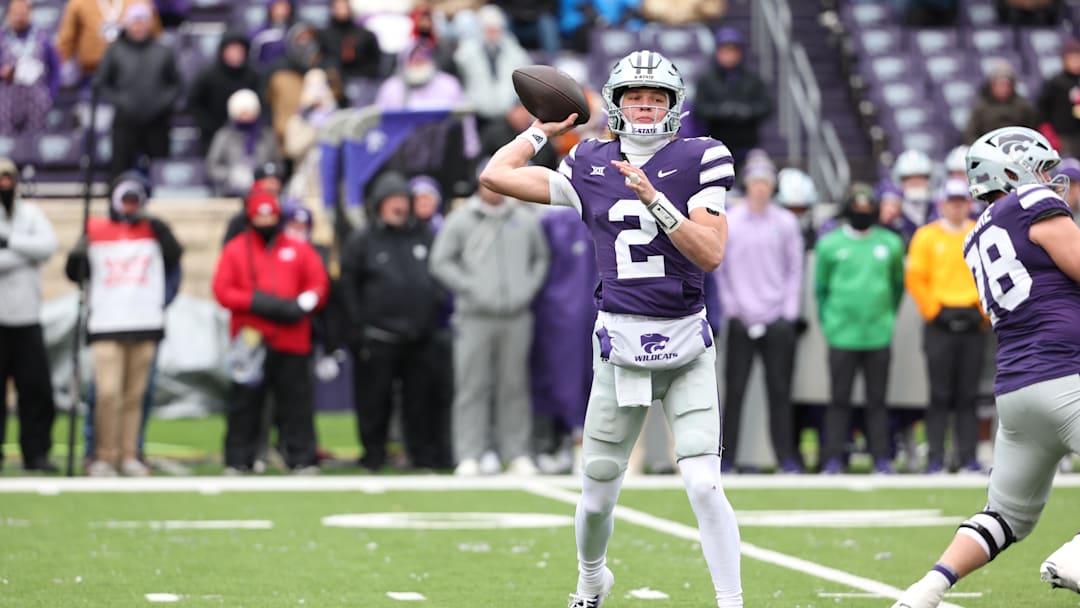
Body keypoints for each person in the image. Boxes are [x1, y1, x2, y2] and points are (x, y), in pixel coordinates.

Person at [478, 50, 742, 607]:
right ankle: (591, 579)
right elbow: (494, 176)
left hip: (685, 342)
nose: (644, 108)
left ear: (673, 106)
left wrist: (654, 199)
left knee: (702, 482)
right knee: (597, 491)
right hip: (619, 344)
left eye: (655, 99)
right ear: (616, 103)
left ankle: (731, 601)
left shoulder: (703, 156)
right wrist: (539, 131)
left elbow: (711, 253)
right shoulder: (589, 162)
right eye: (633, 98)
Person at [891, 126, 1080, 605]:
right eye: (1040, 168)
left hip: (1016, 391)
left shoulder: (977, 233)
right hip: (1067, 372)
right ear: (1014, 169)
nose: (1049, 179)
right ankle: (1075, 554)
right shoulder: (1034, 205)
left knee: (1004, 516)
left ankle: (925, 589)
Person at [429, 167, 550, 477]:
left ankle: (517, 452)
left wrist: (527, 288)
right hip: (473, 316)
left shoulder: (524, 219)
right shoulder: (460, 220)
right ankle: (470, 453)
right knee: (472, 385)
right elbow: (441, 262)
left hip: (517, 315)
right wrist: (470, 288)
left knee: (514, 385)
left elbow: (540, 259)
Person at [64, 172, 182, 477]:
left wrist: (156, 226)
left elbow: (174, 256)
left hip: (145, 322)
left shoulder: (155, 230)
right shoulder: (97, 231)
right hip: (106, 323)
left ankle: (130, 453)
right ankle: (103, 455)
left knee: (135, 395)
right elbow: (76, 274)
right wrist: (77, 255)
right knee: (108, 392)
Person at [211, 189, 328, 474]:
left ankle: (301, 457)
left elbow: (318, 283)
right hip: (252, 336)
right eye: (260, 215)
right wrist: (256, 302)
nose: (266, 221)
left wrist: (303, 304)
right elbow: (222, 290)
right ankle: (240, 458)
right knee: (245, 402)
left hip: (291, 336)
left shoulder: (298, 248)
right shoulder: (237, 249)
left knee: (296, 402)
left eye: (271, 215)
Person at [340, 172, 445, 471]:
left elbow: (439, 275)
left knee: (420, 402)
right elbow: (348, 286)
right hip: (378, 336)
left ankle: (421, 456)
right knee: (374, 402)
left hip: (419, 336)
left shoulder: (425, 236)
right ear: (379, 205)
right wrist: (358, 327)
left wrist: (431, 308)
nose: (398, 207)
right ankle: (373, 455)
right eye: (391, 202)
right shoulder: (362, 241)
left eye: (402, 201)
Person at [714, 156, 805, 474]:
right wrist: (732, 309)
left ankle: (786, 458)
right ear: (747, 185)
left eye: (766, 183)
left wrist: (788, 313)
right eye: (756, 182)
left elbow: (795, 269)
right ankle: (726, 458)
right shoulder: (732, 220)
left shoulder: (785, 223)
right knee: (734, 392)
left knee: (780, 391)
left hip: (777, 318)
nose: (761, 189)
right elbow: (720, 270)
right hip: (740, 318)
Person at [814, 182, 905, 474]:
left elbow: (897, 286)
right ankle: (833, 457)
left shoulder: (890, 243)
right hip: (842, 334)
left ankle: (881, 457)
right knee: (838, 400)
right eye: (857, 209)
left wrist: (886, 318)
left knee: (877, 401)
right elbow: (821, 289)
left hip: (878, 334)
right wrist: (830, 324)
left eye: (868, 209)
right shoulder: (829, 244)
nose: (862, 214)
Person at [904, 178, 987, 475]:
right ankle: (936, 457)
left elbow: (991, 273)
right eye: (952, 201)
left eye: (961, 201)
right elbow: (916, 278)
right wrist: (933, 311)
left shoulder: (979, 233)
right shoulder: (926, 236)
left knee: (968, 394)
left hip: (973, 318)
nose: (956, 207)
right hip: (939, 319)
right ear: (941, 204)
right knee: (939, 393)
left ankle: (968, 457)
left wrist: (982, 312)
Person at [0, 157, 58, 473]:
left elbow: (48, 246)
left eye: (9, 178)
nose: (5, 184)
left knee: (36, 391)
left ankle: (35, 453)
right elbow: (33, 253)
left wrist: (10, 242)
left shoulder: (31, 214)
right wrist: (25, 255)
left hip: (27, 318)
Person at [93, 1, 180, 179]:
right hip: (125, 121)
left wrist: (162, 103)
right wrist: (121, 101)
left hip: (157, 122)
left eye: (143, 21)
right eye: (135, 21)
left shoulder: (163, 51)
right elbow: (101, 83)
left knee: (159, 169)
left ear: (149, 23)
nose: (139, 26)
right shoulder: (115, 50)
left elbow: (176, 85)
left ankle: (161, 205)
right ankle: (116, 203)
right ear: (127, 23)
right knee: (120, 168)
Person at [693, 27, 771, 169]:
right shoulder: (707, 79)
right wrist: (721, 111)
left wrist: (746, 111)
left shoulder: (753, 79)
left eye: (733, 51)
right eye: (724, 51)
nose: (728, 55)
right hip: (715, 144)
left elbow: (766, 106)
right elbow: (700, 108)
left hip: (747, 144)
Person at [186, 28, 260, 154]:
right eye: (231, 50)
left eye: (239, 50)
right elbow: (193, 103)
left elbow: (261, 104)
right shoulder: (208, 75)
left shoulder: (253, 76)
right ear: (223, 51)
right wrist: (209, 126)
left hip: (246, 136)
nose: (235, 54)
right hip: (212, 136)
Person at [0, 0, 60, 136]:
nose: (20, 17)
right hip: (7, 99)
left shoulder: (43, 37)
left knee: (34, 143)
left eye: (23, 13)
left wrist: (50, 95)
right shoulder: (2, 37)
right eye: (16, 13)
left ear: (30, 13)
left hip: (36, 100)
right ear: (8, 14)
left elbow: (55, 68)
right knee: (5, 143)